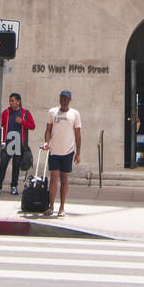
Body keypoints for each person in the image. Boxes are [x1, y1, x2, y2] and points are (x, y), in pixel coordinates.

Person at [42, 90, 81, 218]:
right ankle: (51, 206)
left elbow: (77, 134)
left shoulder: (75, 114)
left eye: (66, 98)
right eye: (61, 97)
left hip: (68, 151)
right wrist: (47, 142)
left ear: (70, 99)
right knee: (53, 179)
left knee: (64, 180)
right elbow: (48, 129)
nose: (63, 100)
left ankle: (62, 207)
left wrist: (78, 153)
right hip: (54, 151)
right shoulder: (52, 112)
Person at [0, 93, 35, 195]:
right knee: (3, 164)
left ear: (18, 102)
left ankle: (14, 186)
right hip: (7, 143)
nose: (10, 103)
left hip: (19, 143)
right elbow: (0, 126)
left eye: (12, 100)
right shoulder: (6, 113)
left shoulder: (25, 113)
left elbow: (32, 126)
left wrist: (22, 122)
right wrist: (1, 141)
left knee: (16, 165)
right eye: (9, 101)